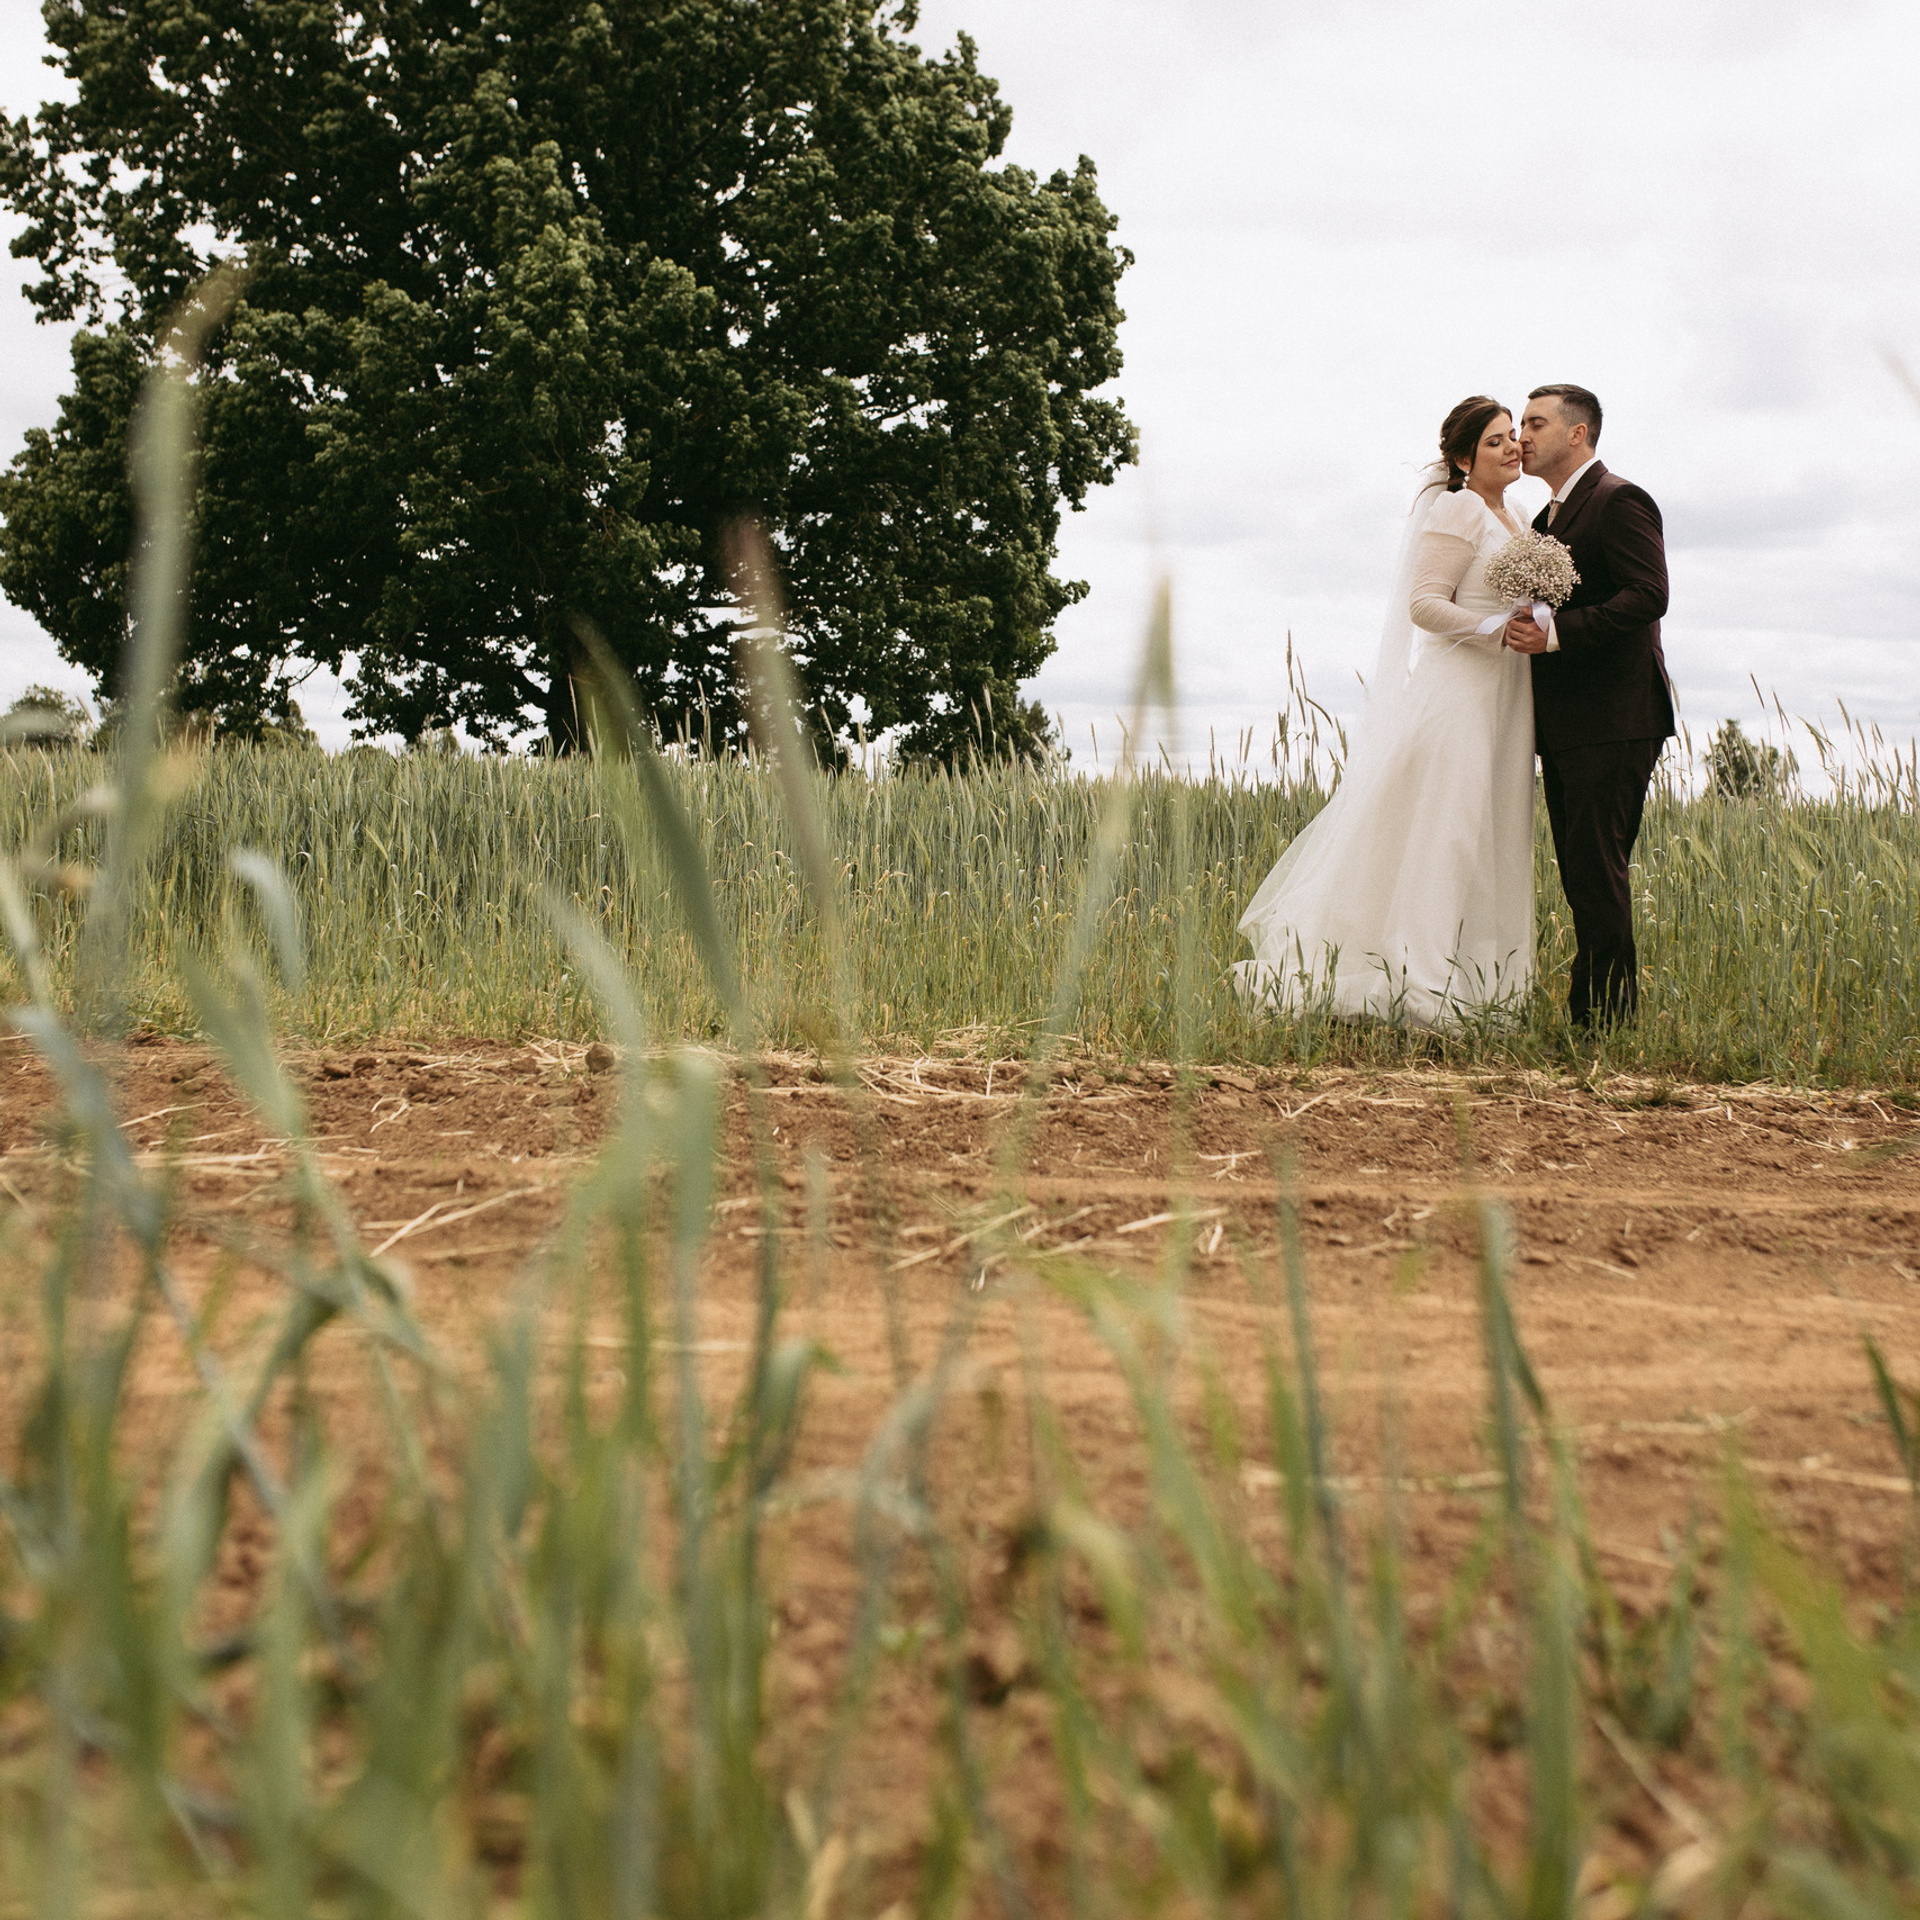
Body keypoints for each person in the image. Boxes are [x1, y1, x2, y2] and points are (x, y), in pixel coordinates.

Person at [1235, 397, 1537, 1025]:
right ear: (1463, 459)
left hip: (1510, 693)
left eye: (1513, 435)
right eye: (1495, 441)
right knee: (1449, 831)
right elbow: (1424, 604)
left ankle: (1478, 982)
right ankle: (1416, 977)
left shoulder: (1519, 516)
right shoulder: (1459, 509)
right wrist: (1494, 628)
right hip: (1461, 690)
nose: (1512, 447)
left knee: (1490, 833)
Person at [1504, 385, 1674, 1029]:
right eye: (1521, 424)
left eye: (1535, 423)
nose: (1522, 436)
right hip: (1568, 724)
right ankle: (1595, 1016)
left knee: (1597, 869)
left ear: (1577, 434)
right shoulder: (1545, 522)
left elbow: (1648, 594)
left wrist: (1557, 634)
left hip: (1615, 718)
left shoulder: (1619, 499)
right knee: (1583, 871)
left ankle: (1605, 1023)